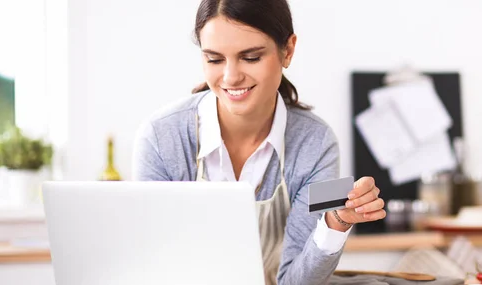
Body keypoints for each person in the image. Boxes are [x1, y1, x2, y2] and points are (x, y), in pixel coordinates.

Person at [132, 0, 386, 284]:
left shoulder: (316, 143)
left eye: (250, 57)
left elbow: (295, 281)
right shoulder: (161, 138)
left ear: (287, 51)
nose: (231, 77)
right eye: (214, 59)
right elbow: (154, 266)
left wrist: (336, 222)